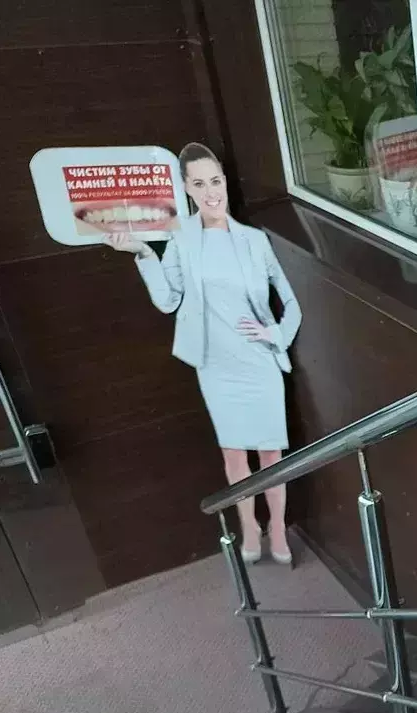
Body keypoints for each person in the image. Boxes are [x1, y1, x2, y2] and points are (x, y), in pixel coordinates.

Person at [103, 143, 301, 565]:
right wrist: (142, 252)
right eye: (199, 184)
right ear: (188, 189)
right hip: (215, 365)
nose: (211, 192)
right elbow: (168, 300)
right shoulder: (182, 240)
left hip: (259, 361)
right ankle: (250, 527)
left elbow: (291, 303)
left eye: (215, 181)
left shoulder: (254, 241)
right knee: (234, 453)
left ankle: (278, 527)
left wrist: (274, 333)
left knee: (270, 452)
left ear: (224, 182)